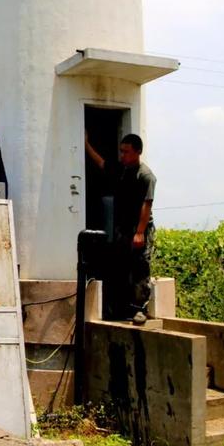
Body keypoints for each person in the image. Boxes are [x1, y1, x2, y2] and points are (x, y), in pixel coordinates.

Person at [85, 133, 156, 325]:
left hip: (139, 229)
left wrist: (140, 232)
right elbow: (103, 164)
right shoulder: (122, 170)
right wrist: (86, 144)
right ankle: (121, 307)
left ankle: (141, 309)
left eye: (126, 152)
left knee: (140, 267)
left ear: (138, 152)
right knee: (121, 266)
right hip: (123, 229)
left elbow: (146, 204)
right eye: (121, 151)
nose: (122, 155)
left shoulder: (145, 175)